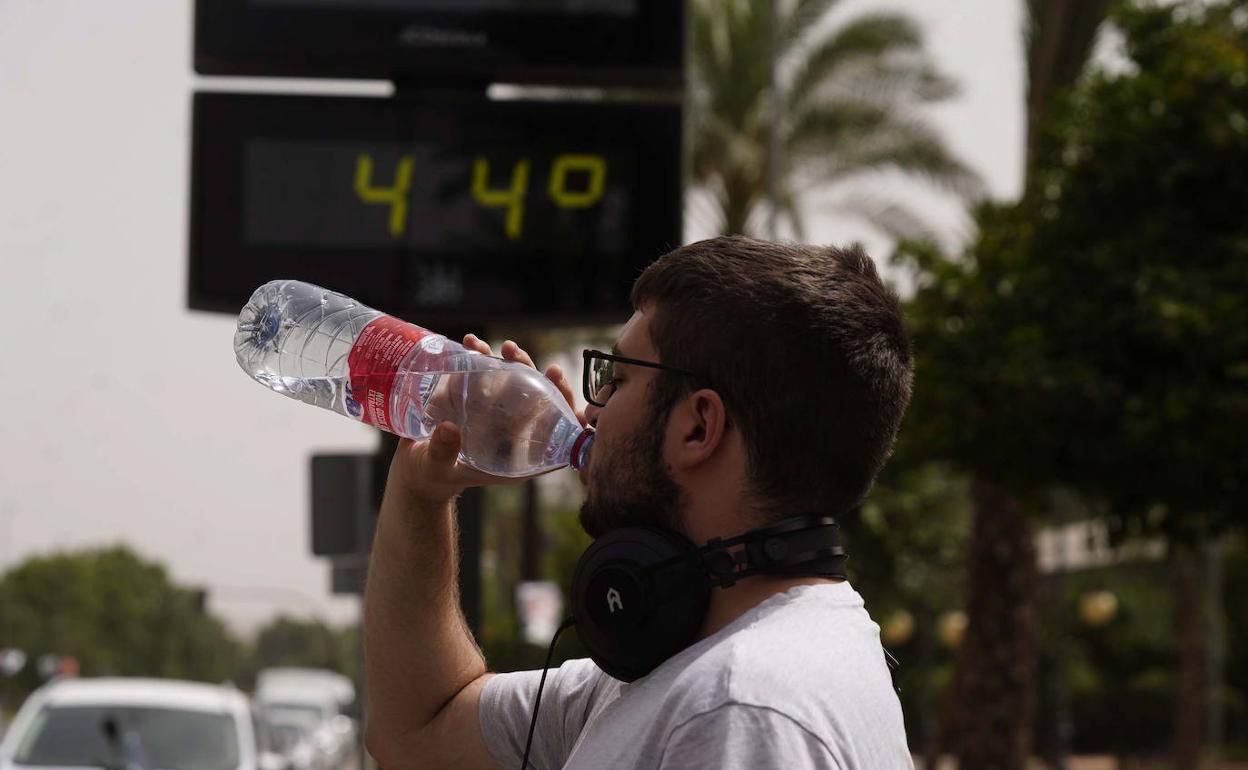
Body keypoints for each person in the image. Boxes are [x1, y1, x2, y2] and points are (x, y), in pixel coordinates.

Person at [363, 235, 915, 769]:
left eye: (618, 377)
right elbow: (418, 733)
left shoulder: (736, 707)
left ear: (698, 427)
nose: (591, 408)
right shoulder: (708, 662)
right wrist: (422, 492)